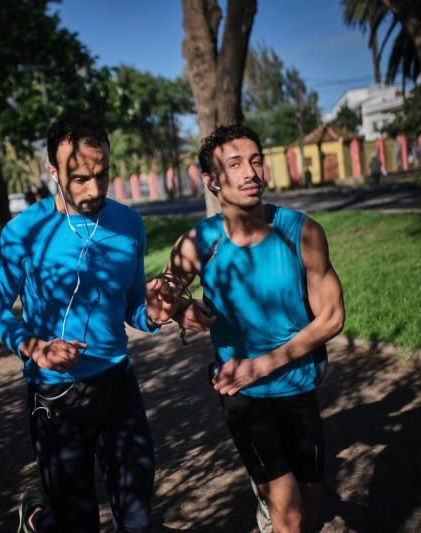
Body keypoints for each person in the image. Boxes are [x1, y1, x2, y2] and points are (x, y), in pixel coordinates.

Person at [0, 114, 178, 533]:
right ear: (52, 170)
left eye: (102, 174)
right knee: (78, 522)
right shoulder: (23, 233)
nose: (94, 189)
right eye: (79, 178)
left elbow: (130, 306)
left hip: (118, 384)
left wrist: (155, 315)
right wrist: (35, 348)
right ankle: (36, 519)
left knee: (138, 519)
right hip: (55, 395)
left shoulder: (129, 224)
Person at [161, 124, 345, 533]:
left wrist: (264, 364)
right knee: (292, 516)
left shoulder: (301, 232)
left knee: (312, 509)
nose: (251, 173)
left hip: (297, 385)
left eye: (256, 160)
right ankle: (274, 509)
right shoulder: (197, 243)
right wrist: (179, 312)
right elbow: (162, 297)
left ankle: (270, 511)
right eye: (235, 164)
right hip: (240, 391)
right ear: (211, 181)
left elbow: (332, 316)